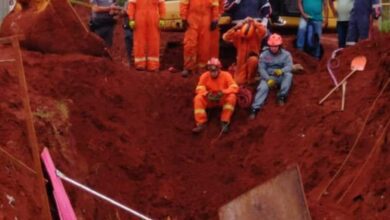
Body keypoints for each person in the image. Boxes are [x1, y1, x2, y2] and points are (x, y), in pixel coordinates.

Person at [249, 34, 293, 119]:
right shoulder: (264, 55)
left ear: (279, 45)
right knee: (262, 88)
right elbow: (261, 69)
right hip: (268, 76)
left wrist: (282, 71)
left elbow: (289, 66)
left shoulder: (286, 55)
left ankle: (281, 96)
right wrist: (268, 79)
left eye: (275, 46)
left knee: (289, 75)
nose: (273, 48)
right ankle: (255, 108)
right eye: (271, 46)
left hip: (280, 75)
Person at [192, 58, 239, 133]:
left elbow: (234, 87)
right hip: (209, 99)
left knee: (232, 97)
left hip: (221, 99)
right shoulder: (204, 76)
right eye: (211, 69)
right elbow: (199, 88)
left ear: (219, 68)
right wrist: (206, 94)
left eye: (215, 69)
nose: (213, 72)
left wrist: (223, 92)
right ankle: (201, 123)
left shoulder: (226, 75)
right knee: (198, 98)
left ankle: (224, 122)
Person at [180, 0, 220, 77]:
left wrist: (215, 19)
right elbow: (184, 3)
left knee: (204, 45)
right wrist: (183, 17)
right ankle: (188, 68)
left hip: (206, 19)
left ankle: (202, 68)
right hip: (192, 18)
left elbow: (215, 5)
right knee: (190, 43)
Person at [222, 17, 267, 85]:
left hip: (252, 61)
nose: (245, 37)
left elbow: (264, 31)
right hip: (241, 62)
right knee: (239, 82)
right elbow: (225, 37)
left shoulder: (257, 34)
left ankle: (252, 79)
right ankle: (245, 78)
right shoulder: (238, 34)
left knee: (253, 60)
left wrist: (255, 22)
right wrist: (235, 27)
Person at [127, 0, 166, 72]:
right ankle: (140, 64)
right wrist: (131, 19)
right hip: (140, 17)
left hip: (153, 17)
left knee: (154, 41)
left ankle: (153, 65)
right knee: (139, 41)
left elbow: (161, 4)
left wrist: (162, 18)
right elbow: (131, 4)